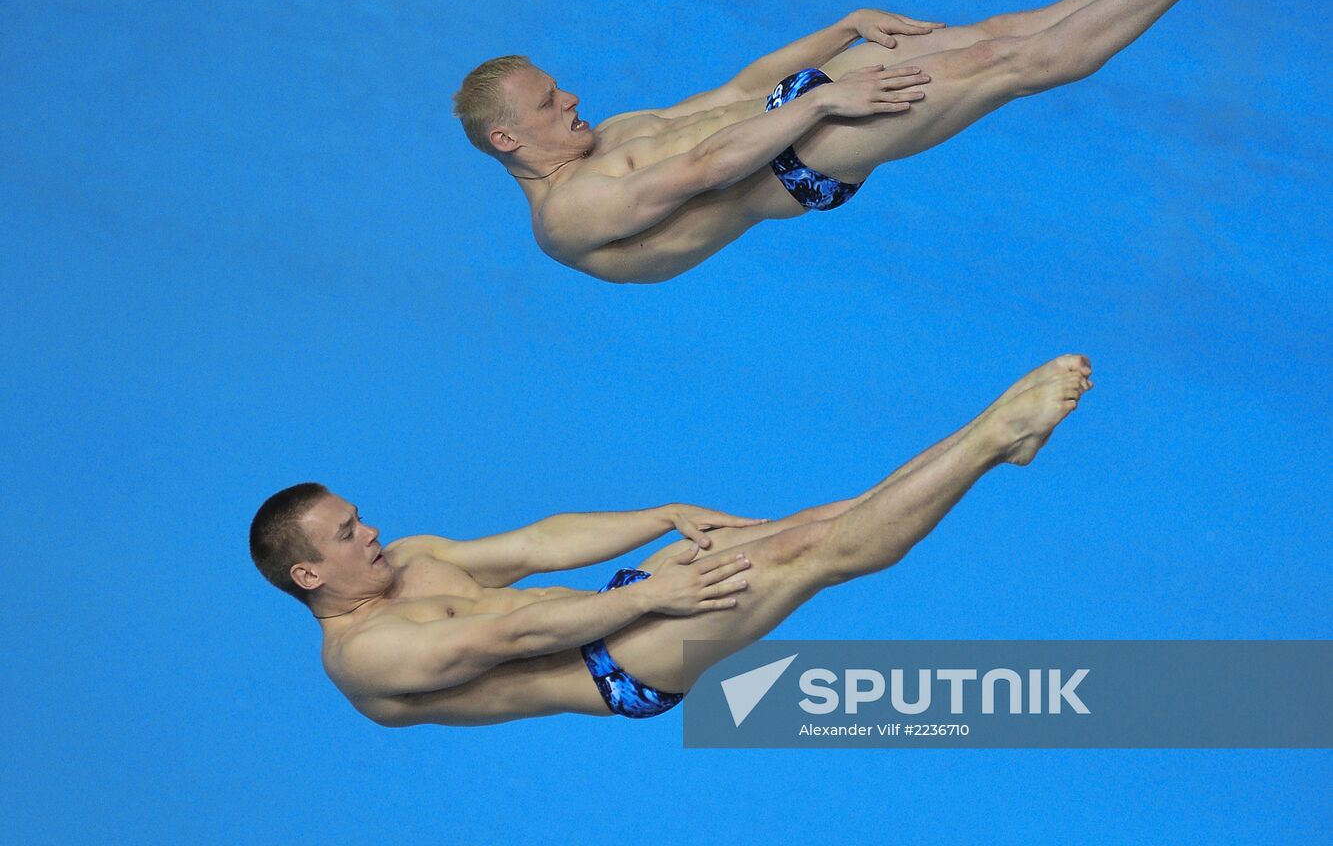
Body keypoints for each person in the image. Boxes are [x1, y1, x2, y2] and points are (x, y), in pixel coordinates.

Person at [452, 0, 1301, 283]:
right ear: (507, 140)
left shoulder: (613, 133)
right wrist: (825, 97)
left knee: (1012, 27)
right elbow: (706, 171)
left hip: (800, 107)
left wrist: (844, 26)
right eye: (548, 103)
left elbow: (732, 89)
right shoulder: (567, 217)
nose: (571, 99)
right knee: (1011, 67)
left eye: (559, 87)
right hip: (797, 160)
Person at [250, 355, 1093, 727]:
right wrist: (655, 595)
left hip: (621, 605)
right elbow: (506, 633)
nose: (374, 532)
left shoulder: (412, 559)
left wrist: (662, 517)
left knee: (807, 524)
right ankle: (992, 433)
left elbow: (540, 546)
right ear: (307, 572)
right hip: (616, 664)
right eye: (348, 533)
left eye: (360, 517)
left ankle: (997, 446)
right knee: (816, 557)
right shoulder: (364, 658)